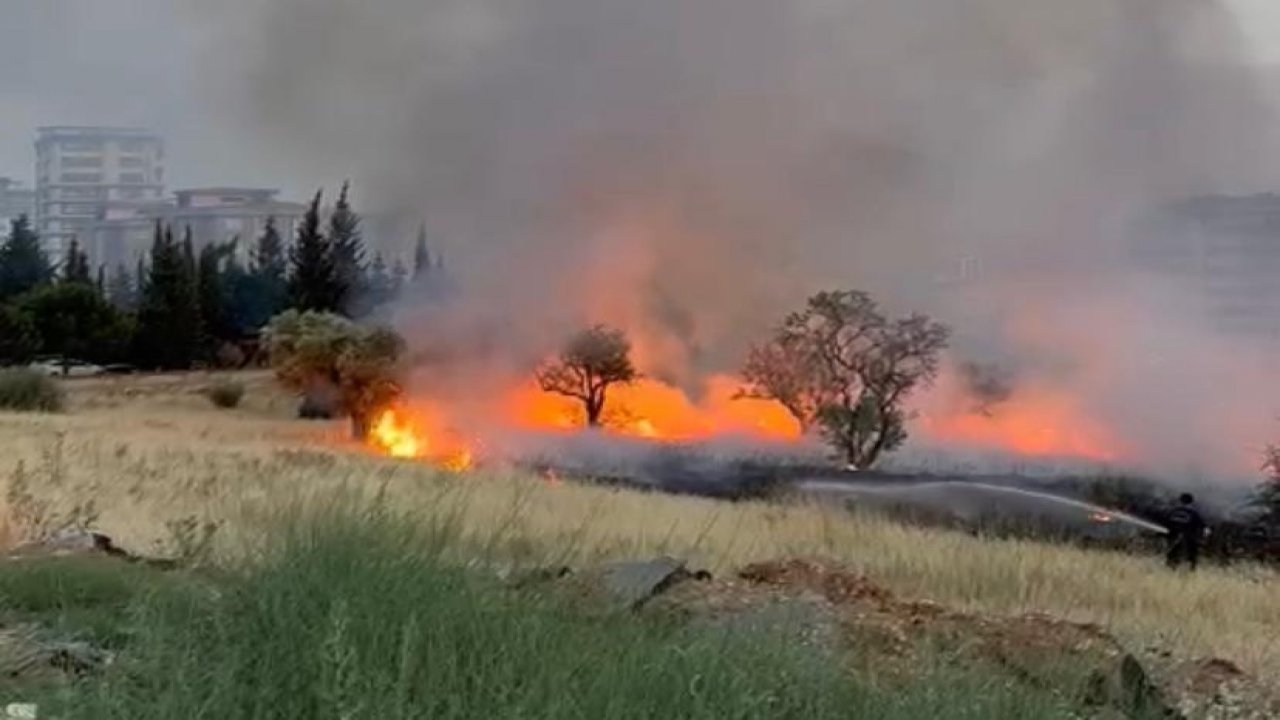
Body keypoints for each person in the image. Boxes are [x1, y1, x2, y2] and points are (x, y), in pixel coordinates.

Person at [1165, 493, 1206, 571]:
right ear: (1191, 502)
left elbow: (1166, 522)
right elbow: (1201, 525)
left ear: (1180, 500)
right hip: (1188, 538)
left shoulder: (1173, 511)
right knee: (1192, 557)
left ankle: (1170, 569)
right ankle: (1191, 570)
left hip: (1173, 537)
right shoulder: (1193, 513)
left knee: (1171, 555)